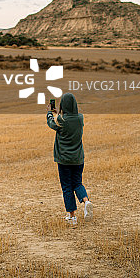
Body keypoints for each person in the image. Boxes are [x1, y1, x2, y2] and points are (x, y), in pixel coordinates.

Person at [46, 92, 93, 227]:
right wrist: (58, 114)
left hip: (64, 160)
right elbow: (67, 120)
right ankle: (86, 201)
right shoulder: (80, 118)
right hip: (78, 158)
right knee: (77, 183)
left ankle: (72, 216)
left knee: (67, 186)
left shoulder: (61, 120)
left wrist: (50, 113)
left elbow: (51, 123)